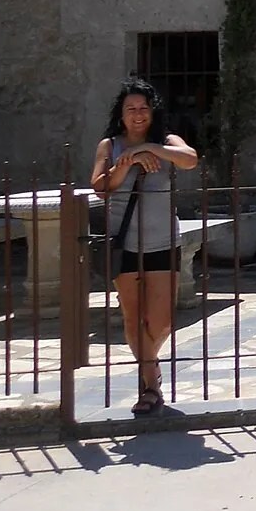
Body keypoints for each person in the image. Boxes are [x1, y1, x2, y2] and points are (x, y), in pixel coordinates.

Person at [90, 77, 199, 415]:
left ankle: (148, 366)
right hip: (124, 243)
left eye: (143, 108)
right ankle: (150, 384)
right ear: (120, 115)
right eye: (130, 109)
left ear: (152, 112)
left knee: (162, 321)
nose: (137, 115)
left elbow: (190, 158)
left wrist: (145, 149)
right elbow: (99, 186)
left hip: (163, 241)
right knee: (133, 315)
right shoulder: (109, 146)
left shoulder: (166, 142)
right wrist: (127, 165)